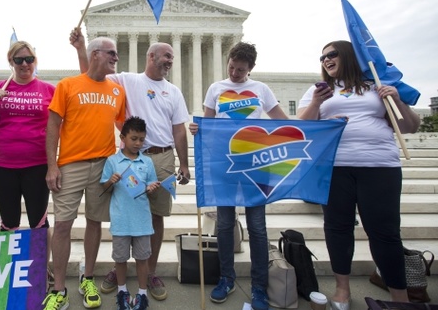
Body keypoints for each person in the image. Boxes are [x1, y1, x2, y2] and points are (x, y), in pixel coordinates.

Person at [297, 40, 420, 308]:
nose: (326, 60)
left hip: (380, 167)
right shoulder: (320, 90)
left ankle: (399, 295)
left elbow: (410, 126)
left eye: (332, 54)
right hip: (335, 167)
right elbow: (302, 126)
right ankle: (342, 289)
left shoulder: (377, 85)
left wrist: (397, 99)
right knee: (337, 228)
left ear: (349, 56)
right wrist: (317, 103)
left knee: (385, 232)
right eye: (322, 57)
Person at [71, 28, 190, 301]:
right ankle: (119, 267)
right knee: (124, 211)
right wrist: (80, 49)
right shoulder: (127, 80)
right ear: (151, 56)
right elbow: (92, 75)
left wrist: (183, 164)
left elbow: (179, 130)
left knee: (157, 216)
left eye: (172, 57)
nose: (170, 60)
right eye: (166, 56)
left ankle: (150, 272)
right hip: (129, 156)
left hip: (161, 157)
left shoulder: (173, 91)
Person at [188, 42, 288, 310]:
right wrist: (197, 128)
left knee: (257, 227)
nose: (234, 73)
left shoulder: (261, 89)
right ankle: (226, 278)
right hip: (225, 163)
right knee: (223, 224)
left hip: (256, 164)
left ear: (250, 69)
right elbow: (207, 125)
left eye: (240, 70)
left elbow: (282, 120)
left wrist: (314, 127)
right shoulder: (216, 89)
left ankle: (258, 287)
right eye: (231, 67)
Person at [43, 37, 126, 310]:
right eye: (111, 53)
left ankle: (87, 278)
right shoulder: (68, 85)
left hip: (103, 165)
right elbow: (53, 125)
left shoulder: (117, 91)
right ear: (95, 55)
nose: (116, 57)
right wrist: (52, 165)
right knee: (63, 225)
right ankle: (58, 289)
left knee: (95, 222)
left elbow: (125, 128)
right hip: (70, 165)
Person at [0, 40, 55, 283]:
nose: (24, 64)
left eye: (29, 59)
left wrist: (54, 165)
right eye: (18, 60)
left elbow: (58, 128)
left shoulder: (48, 90)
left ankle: (41, 268)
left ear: (35, 61)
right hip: (3, 166)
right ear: (11, 62)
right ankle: (6, 268)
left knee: (38, 221)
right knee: (8, 220)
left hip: (37, 164)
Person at [101, 116, 160, 310]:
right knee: (120, 258)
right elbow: (105, 188)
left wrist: (152, 187)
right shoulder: (113, 161)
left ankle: (142, 294)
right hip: (121, 220)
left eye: (142, 139)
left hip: (142, 220)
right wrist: (111, 180)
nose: (138, 143)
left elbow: (151, 183)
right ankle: (122, 291)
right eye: (134, 138)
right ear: (123, 137)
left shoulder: (147, 162)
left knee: (142, 258)